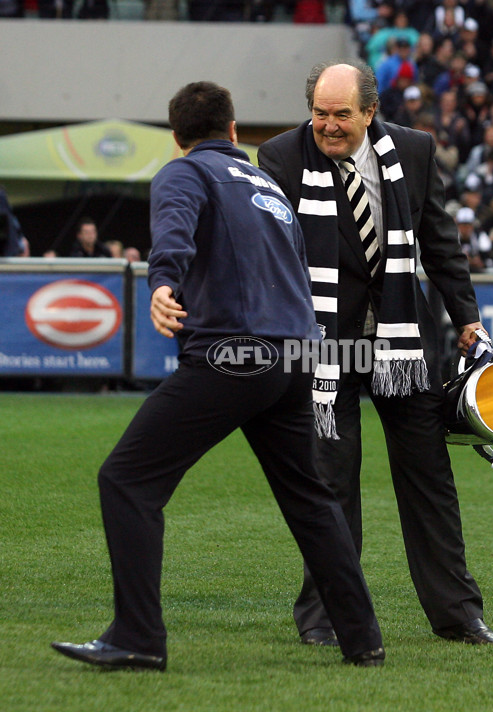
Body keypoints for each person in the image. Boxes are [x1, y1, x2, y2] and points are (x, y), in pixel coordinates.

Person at [51, 81, 385, 671]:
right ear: (234, 131)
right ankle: (363, 640)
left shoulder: (184, 173)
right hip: (294, 357)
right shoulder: (266, 185)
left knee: (126, 480)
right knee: (311, 499)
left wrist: (160, 283)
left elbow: (174, 231)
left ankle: (137, 637)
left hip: (234, 356)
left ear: (178, 138)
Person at [258, 60, 493, 648]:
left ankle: (459, 616)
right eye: (319, 113)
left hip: (404, 342)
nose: (328, 125)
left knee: (429, 480)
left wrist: (466, 316)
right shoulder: (279, 157)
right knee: (329, 485)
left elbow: (440, 241)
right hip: (321, 347)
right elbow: (269, 253)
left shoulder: (415, 151)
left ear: (371, 112)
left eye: (341, 114)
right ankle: (324, 617)